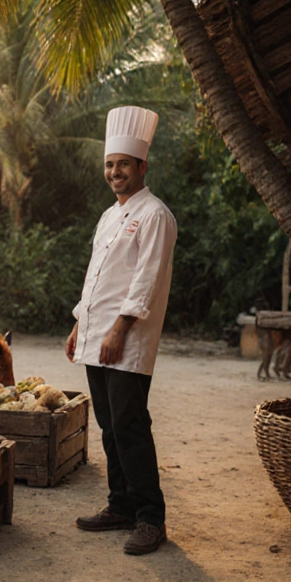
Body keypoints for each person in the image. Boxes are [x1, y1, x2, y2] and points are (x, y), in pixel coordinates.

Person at [65, 105, 177, 555]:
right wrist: (80, 324)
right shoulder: (110, 215)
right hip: (97, 336)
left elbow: (145, 279)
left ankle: (151, 518)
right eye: (110, 165)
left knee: (130, 425)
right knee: (109, 426)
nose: (115, 171)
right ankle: (120, 505)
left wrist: (117, 330)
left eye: (123, 165)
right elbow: (97, 275)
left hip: (126, 340)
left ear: (142, 166)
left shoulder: (155, 215)